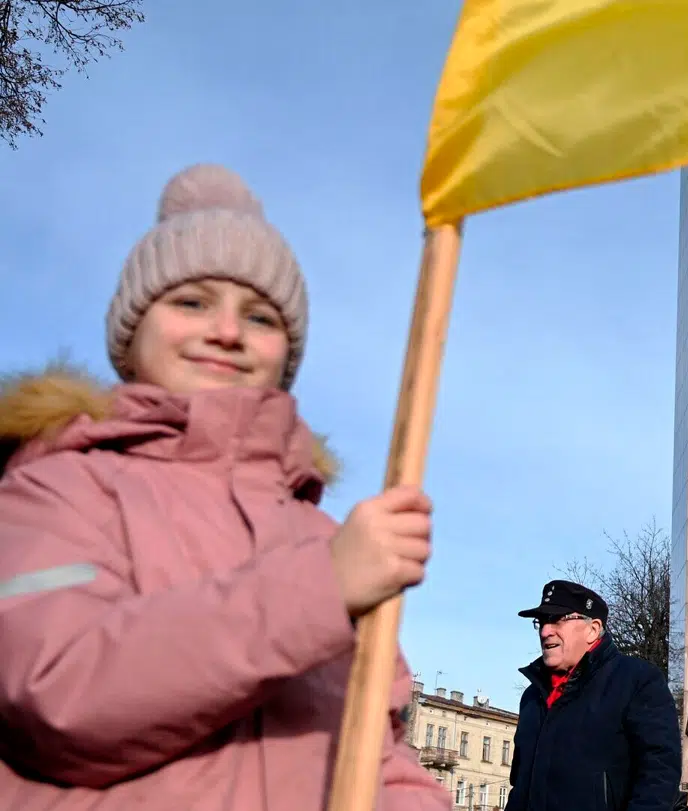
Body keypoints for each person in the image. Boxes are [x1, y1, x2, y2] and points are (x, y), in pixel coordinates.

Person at [0, 164, 448, 809]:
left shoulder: (321, 534)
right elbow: (56, 693)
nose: (228, 332)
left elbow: (380, 750)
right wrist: (320, 590)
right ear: (133, 331)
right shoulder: (56, 486)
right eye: (191, 302)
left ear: (286, 354)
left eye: (261, 317)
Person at [507, 579, 681, 811]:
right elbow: (519, 785)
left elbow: (659, 775)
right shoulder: (532, 696)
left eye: (558, 619)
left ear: (593, 629)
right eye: (542, 622)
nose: (546, 631)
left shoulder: (637, 681)